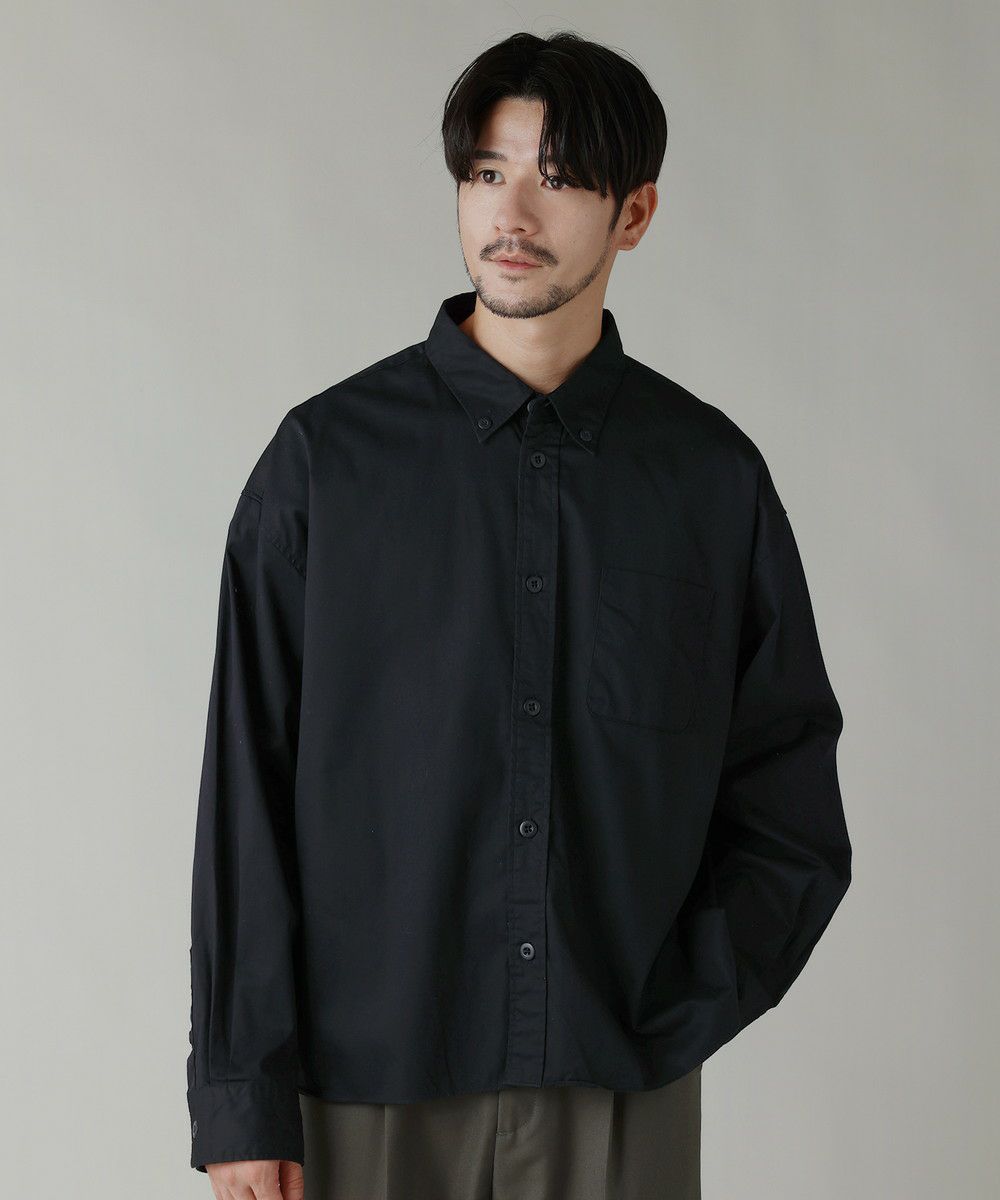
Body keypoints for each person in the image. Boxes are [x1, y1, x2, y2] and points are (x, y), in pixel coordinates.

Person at [186, 29, 852, 1200]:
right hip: (363, 1087)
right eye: (486, 172)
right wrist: (243, 1093)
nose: (511, 211)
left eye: (558, 177)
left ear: (634, 213)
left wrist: (676, 1005)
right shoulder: (326, 465)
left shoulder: (708, 479)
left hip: (616, 1092)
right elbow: (247, 787)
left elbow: (786, 793)